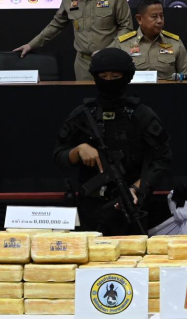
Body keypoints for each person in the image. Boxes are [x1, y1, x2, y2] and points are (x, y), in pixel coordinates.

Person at [54, 48, 172, 235]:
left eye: (115, 76)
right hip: (91, 209)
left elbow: (163, 160)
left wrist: (136, 188)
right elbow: (59, 156)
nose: (109, 81)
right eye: (103, 76)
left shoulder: (141, 115)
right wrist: (78, 150)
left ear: (127, 77)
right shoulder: (84, 114)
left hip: (131, 204)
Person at [14, 0, 133, 81]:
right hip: (84, 63)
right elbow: (57, 24)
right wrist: (31, 45)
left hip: (111, 62)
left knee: (112, 101)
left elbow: (127, 27)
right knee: (85, 100)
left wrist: (109, 51)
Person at [109, 0, 187, 81]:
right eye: (154, 16)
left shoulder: (175, 43)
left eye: (161, 16)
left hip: (167, 89)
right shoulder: (122, 45)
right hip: (134, 89)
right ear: (139, 19)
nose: (160, 21)